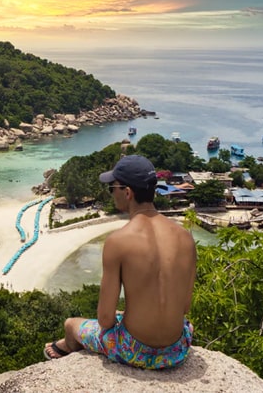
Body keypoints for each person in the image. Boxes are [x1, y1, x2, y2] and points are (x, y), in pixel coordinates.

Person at [43, 154, 197, 370]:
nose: (111, 193)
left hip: (134, 350)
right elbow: (185, 306)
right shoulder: (185, 237)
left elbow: (105, 320)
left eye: (112, 188)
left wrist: (123, 317)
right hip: (177, 350)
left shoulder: (118, 241)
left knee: (71, 324)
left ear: (127, 192)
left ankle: (67, 345)